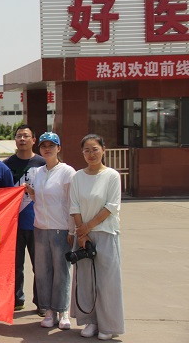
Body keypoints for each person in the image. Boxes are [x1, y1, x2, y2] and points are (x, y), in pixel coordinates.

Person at [69, 134, 124, 341]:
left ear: (103, 150)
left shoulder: (111, 176)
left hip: (105, 233)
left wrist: (87, 228)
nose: (91, 154)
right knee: (86, 280)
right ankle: (90, 321)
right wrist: (81, 233)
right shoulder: (78, 177)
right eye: (87, 150)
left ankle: (108, 325)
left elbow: (111, 207)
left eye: (95, 149)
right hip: (83, 235)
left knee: (107, 282)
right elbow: (74, 206)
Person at [25, 132, 76, 330]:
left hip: (61, 229)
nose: (47, 149)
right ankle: (48, 311)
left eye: (51, 146)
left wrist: (72, 230)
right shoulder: (37, 172)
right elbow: (39, 199)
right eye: (44, 146)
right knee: (43, 271)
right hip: (40, 228)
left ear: (59, 148)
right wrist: (30, 192)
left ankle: (62, 311)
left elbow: (72, 202)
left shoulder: (67, 172)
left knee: (61, 271)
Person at [3, 124, 46, 313]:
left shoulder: (43, 163)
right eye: (19, 136)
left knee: (40, 265)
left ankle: (42, 302)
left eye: (26, 136)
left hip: (38, 223)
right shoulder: (6, 165)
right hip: (14, 224)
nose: (22, 139)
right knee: (15, 265)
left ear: (33, 140)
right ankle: (16, 299)